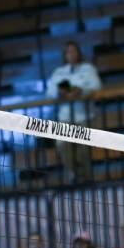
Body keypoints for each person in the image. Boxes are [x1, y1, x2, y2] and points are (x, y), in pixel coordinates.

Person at [46, 40, 102, 184]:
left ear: (79, 53)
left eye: (74, 51)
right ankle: (71, 176)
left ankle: (86, 178)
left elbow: (96, 85)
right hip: (65, 117)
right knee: (61, 143)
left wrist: (80, 91)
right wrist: (62, 93)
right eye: (68, 52)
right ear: (65, 55)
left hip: (85, 115)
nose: (71, 54)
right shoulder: (59, 72)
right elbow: (51, 92)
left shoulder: (87, 68)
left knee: (84, 147)